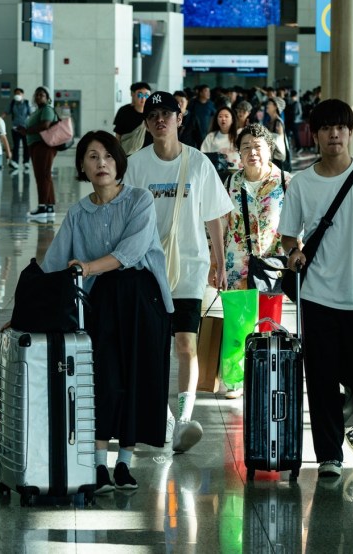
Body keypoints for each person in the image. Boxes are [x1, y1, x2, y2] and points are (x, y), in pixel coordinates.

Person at [41, 130, 173, 494]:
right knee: (102, 380)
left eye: (109, 157)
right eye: (93, 157)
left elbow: (131, 251)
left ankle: (125, 464)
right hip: (100, 305)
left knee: (135, 381)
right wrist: (27, 309)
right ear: (82, 165)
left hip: (143, 300)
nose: (102, 164)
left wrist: (86, 267)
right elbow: (53, 265)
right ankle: (99, 466)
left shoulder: (139, 200)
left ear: (119, 163)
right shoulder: (78, 213)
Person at [279, 98, 353, 479]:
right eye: (327, 128)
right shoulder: (302, 183)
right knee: (321, 377)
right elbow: (286, 236)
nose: (335, 134)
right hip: (316, 295)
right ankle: (329, 453)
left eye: (341, 127)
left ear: (351, 132)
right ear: (314, 135)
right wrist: (294, 253)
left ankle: (350, 418)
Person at [123, 91, 233, 454]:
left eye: (166, 115)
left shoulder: (199, 163)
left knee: (185, 344)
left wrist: (219, 261)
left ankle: (184, 419)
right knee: (152, 349)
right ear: (147, 122)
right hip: (147, 269)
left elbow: (214, 215)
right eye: (153, 115)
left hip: (190, 267)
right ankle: (166, 420)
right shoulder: (136, 165)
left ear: (179, 119)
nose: (159, 120)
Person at [222, 123, 291, 398]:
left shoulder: (286, 182)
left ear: (270, 150)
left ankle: (266, 374)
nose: (252, 152)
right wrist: (215, 263)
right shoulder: (230, 182)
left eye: (258, 147)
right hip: (236, 263)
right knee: (237, 322)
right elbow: (219, 223)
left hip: (272, 265)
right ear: (238, 152)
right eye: (246, 147)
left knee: (268, 323)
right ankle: (234, 378)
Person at [21, 86, 59, 220]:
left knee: (42, 176)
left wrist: (26, 131)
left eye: (42, 95)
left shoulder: (47, 109)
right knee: (45, 176)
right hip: (37, 146)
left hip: (43, 146)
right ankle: (49, 207)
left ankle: (42, 207)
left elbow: (45, 126)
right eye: (37, 95)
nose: (38, 97)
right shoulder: (39, 110)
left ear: (48, 98)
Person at [113, 82, 152, 156]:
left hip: (147, 154)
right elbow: (118, 135)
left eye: (146, 95)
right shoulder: (124, 111)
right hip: (127, 154)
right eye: (140, 95)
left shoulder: (153, 113)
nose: (143, 98)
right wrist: (117, 153)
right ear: (133, 95)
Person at [200, 105, 242, 171]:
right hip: (216, 172)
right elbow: (203, 156)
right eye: (220, 116)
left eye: (226, 116)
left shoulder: (239, 136)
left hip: (236, 172)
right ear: (216, 120)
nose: (223, 119)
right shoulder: (211, 136)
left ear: (232, 120)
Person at [7, 87, 32, 172]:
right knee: (16, 146)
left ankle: (26, 162)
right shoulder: (12, 103)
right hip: (15, 128)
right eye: (16, 93)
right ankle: (15, 162)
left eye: (19, 93)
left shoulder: (26, 103)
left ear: (22, 94)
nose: (17, 95)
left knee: (26, 146)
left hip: (25, 129)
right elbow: (6, 112)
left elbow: (31, 114)